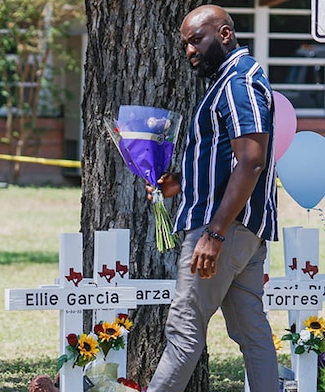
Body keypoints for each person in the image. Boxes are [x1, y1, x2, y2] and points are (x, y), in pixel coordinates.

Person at [146, 5, 278, 392]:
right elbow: (224, 161)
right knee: (251, 332)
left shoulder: (240, 80)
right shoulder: (226, 81)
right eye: (185, 44)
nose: (190, 51)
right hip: (235, 230)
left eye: (197, 40)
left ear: (224, 34)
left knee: (184, 329)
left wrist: (214, 234)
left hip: (223, 230)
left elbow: (251, 160)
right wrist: (182, 183)